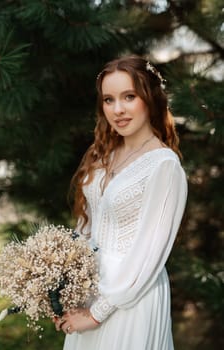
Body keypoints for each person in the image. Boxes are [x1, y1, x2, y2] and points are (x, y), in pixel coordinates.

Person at [54, 55, 188, 350]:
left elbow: (149, 252)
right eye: (108, 99)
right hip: (88, 287)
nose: (118, 110)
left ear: (150, 99)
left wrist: (96, 314)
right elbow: (86, 226)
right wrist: (67, 286)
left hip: (131, 297)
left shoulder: (164, 166)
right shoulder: (102, 156)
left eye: (129, 96)